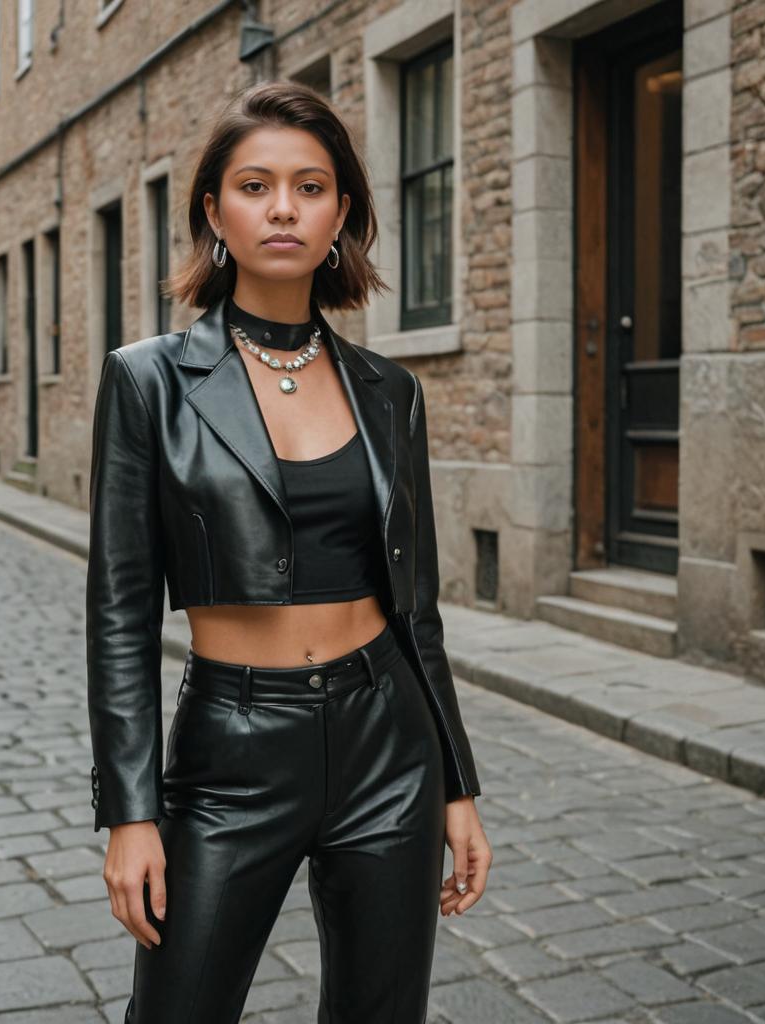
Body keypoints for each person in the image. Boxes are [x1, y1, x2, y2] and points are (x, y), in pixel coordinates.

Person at [86, 79, 492, 1024]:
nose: (283, 208)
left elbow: (416, 608)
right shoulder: (148, 381)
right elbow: (119, 611)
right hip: (231, 750)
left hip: (388, 742)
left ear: (342, 212)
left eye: (310, 187)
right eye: (255, 185)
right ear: (213, 211)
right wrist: (130, 812)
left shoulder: (389, 390)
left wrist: (457, 785)